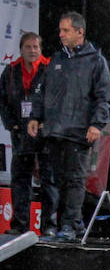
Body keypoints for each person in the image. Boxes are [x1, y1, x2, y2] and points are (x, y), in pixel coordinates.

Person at [27, 12, 110, 243]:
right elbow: (41, 91)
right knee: (58, 180)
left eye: (65, 30)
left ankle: (69, 225)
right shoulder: (56, 60)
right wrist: (35, 117)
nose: (61, 34)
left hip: (79, 132)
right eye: (60, 30)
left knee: (75, 180)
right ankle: (72, 224)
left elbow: (104, 96)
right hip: (55, 131)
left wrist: (96, 124)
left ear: (80, 32)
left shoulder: (95, 61)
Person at [0, 32, 56, 235]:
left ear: (41, 49)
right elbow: (2, 100)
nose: (32, 51)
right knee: (20, 179)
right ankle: (19, 225)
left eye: (36, 47)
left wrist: (45, 124)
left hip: (44, 132)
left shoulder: (50, 68)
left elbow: (57, 99)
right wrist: (12, 125)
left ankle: (49, 226)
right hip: (20, 133)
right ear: (21, 49)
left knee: (48, 179)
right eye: (28, 47)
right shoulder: (11, 70)